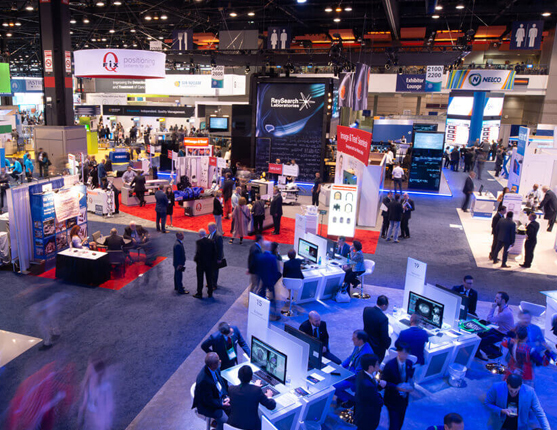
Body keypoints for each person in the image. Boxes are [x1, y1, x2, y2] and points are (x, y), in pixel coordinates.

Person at [484, 374, 550, 430]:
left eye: (516, 391)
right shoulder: (496, 387)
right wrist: (501, 410)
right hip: (499, 425)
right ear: (506, 382)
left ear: (521, 385)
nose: (513, 393)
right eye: (511, 390)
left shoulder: (530, 392)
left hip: (520, 427)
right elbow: (487, 403)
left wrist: (547, 428)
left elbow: (539, 412)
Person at [227, 365, 276, 430]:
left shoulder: (231, 389)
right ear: (251, 378)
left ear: (238, 377)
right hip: (251, 427)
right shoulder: (256, 391)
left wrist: (254, 387)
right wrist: (269, 396)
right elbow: (271, 406)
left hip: (233, 425)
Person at [381, 341, 415, 430]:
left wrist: (410, 387)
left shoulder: (409, 364)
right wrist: (397, 387)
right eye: (404, 352)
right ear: (398, 352)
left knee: (400, 423)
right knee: (394, 425)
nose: (405, 355)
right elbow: (383, 383)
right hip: (392, 400)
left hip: (403, 400)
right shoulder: (390, 365)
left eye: (407, 353)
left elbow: (410, 378)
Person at [335, 330, 374, 406]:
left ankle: (351, 400)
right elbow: (351, 357)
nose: (352, 339)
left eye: (354, 338)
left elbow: (357, 374)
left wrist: (343, 375)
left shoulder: (365, 354)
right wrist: (341, 366)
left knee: (334, 386)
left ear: (361, 340)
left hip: (356, 378)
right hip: (350, 370)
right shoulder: (359, 345)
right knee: (334, 378)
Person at [192, 353, 230, 430]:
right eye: (218, 361)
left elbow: (221, 382)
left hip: (217, 397)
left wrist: (225, 396)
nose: (220, 361)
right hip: (207, 406)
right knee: (227, 421)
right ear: (212, 365)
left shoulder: (215, 369)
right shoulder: (203, 381)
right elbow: (208, 401)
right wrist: (222, 404)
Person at [77, 353, 115, 430]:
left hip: (102, 420)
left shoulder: (106, 387)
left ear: (99, 374)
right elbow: (85, 403)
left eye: (91, 372)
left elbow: (109, 406)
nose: (88, 374)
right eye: (89, 372)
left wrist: (107, 424)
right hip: (92, 419)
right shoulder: (88, 384)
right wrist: (80, 417)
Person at [477, 291, 514, 359]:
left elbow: (489, 319)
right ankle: (478, 351)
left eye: (497, 298)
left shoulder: (505, 313)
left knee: (481, 341)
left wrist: (493, 308)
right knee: (479, 335)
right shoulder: (503, 307)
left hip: (503, 334)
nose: (495, 299)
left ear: (503, 300)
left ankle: (496, 352)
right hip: (498, 330)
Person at [354, 354, 385, 430]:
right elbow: (379, 402)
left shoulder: (361, 373)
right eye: (377, 364)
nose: (378, 366)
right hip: (368, 417)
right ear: (371, 367)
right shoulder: (368, 386)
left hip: (360, 412)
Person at [256, 241, 281, 320]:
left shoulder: (260, 256)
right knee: (273, 297)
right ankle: (274, 314)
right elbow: (275, 270)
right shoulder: (273, 257)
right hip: (270, 279)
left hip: (263, 279)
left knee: (262, 293)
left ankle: (260, 311)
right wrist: (274, 280)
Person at [363, 295, 391, 362]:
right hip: (376, 347)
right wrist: (388, 343)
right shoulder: (383, 318)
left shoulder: (366, 310)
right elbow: (384, 336)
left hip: (366, 342)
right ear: (384, 305)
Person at [193, 229, 216, 299]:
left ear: (200, 234)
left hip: (201, 264)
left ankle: (199, 293)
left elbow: (198, 253)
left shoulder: (198, 242)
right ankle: (210, 292)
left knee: (200, 279)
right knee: (209, 278)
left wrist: (196, 260)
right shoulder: (211, 241)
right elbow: (214, 253)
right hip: (209, 264)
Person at [208, 222, 224, 289]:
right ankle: (211, 282)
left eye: (209, 228)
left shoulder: (218, 236)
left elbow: (220, 248)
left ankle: (214, 285)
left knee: (215, 271)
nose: (208, 229)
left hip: (216, 257)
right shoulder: (210, 233)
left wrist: (219, 258)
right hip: (211, 256)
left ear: (214, 228)